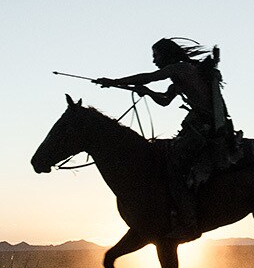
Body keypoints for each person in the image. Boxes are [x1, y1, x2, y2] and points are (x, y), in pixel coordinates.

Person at [92, 38, 236, 240]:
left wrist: (114, 82)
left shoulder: (180, 69)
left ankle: (188, 223)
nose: (154, 61)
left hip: (204, 130)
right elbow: (165, 101)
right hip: (199, 127)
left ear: (167, 55)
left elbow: (149, 77)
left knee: (173, 165)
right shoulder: (182, 74)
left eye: (156, 56)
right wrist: (148, 93)